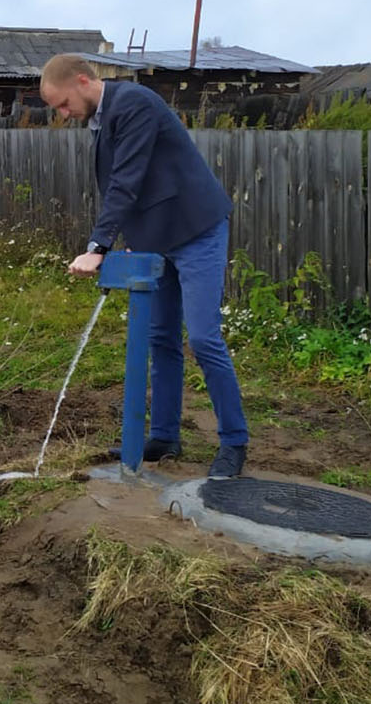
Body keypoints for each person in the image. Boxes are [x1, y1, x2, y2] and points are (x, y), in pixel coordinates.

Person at [39, 53, 249, 480]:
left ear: (82, 80)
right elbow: (129, 185)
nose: (63, 114)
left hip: (196, 229)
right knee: (161, 338)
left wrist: (98, 245)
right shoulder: (103, 118)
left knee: (204, 338)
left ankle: (234, 442)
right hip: (157, 239)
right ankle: (166, 436)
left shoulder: (134, 103)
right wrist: (133, 243)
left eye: (62, 104)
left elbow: (127, 180)